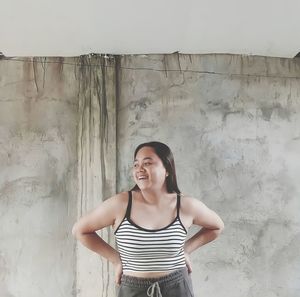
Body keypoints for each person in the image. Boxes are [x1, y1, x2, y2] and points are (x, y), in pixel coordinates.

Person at [72, 141, 225, 297]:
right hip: (133, 289)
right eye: (136, 165)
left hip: (176, 287)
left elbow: (217, 226)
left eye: (147, 163)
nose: (140, 169)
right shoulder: (120, 204)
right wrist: (116, 259)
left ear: (167, 170)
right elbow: (80, 230)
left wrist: (186, 249)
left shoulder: (185, 205)